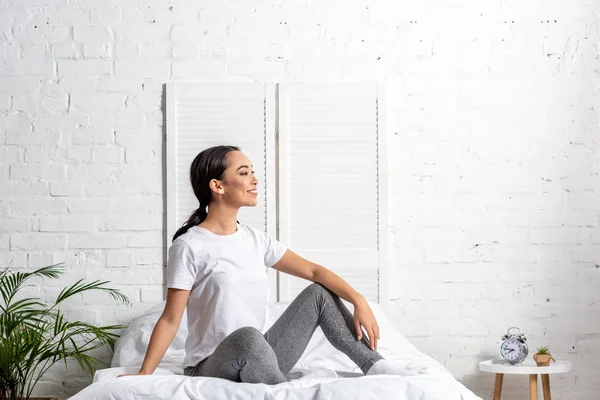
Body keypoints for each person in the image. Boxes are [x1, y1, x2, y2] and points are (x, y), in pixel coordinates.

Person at [121, 145, 407, 383]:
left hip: (263, 354)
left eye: (252, 172)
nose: (254, 180)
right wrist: (145, 373)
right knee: (248, 337)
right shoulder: (189, 246)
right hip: (212, 364)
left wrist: (359, 299)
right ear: (217, 185)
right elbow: (171, 318)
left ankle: (375, 366)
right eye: (244, 173)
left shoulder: (255, 240)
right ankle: (282, 391)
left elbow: (313, 272)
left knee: (319, 295)